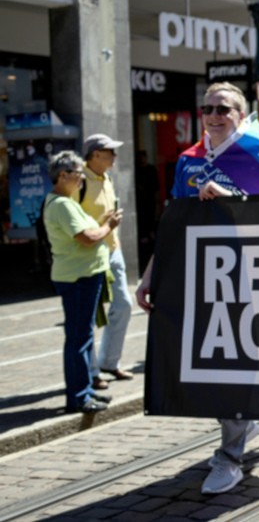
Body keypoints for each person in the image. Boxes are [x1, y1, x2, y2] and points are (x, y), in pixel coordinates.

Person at [134, 81, 259, 495]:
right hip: (202, 277)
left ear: (241, 115)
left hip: (248, 277)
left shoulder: (257, 154)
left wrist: (229, 197)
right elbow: (174, 223)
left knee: (235, 365)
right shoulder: (188, 160)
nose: (214, 116)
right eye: (208, 108)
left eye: (224, 109)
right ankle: (242, 421)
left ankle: (230, 456)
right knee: (210, 366)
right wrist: (149, 276)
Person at [43, 151, 122, 414]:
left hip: (83, 275)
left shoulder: (65, 202)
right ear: (62, 175)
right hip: (78, 278)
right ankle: (78, 397)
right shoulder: (62, 205)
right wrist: (109, 226)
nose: (81, 178)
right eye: (78, 173)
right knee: (79, 338)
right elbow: (87, 238)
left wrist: (102, 226)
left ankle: (85, 390)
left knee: (83, 335)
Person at [80, 133, 134, 387]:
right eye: (110, 151)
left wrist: (117, 243)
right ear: (95, 154)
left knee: (123, 305)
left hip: (113, 251)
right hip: (89, 255)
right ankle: (91, 372)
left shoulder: (108, 178)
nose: (115, 156)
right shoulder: (79, 180)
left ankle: (109, 362)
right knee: (89, 315)